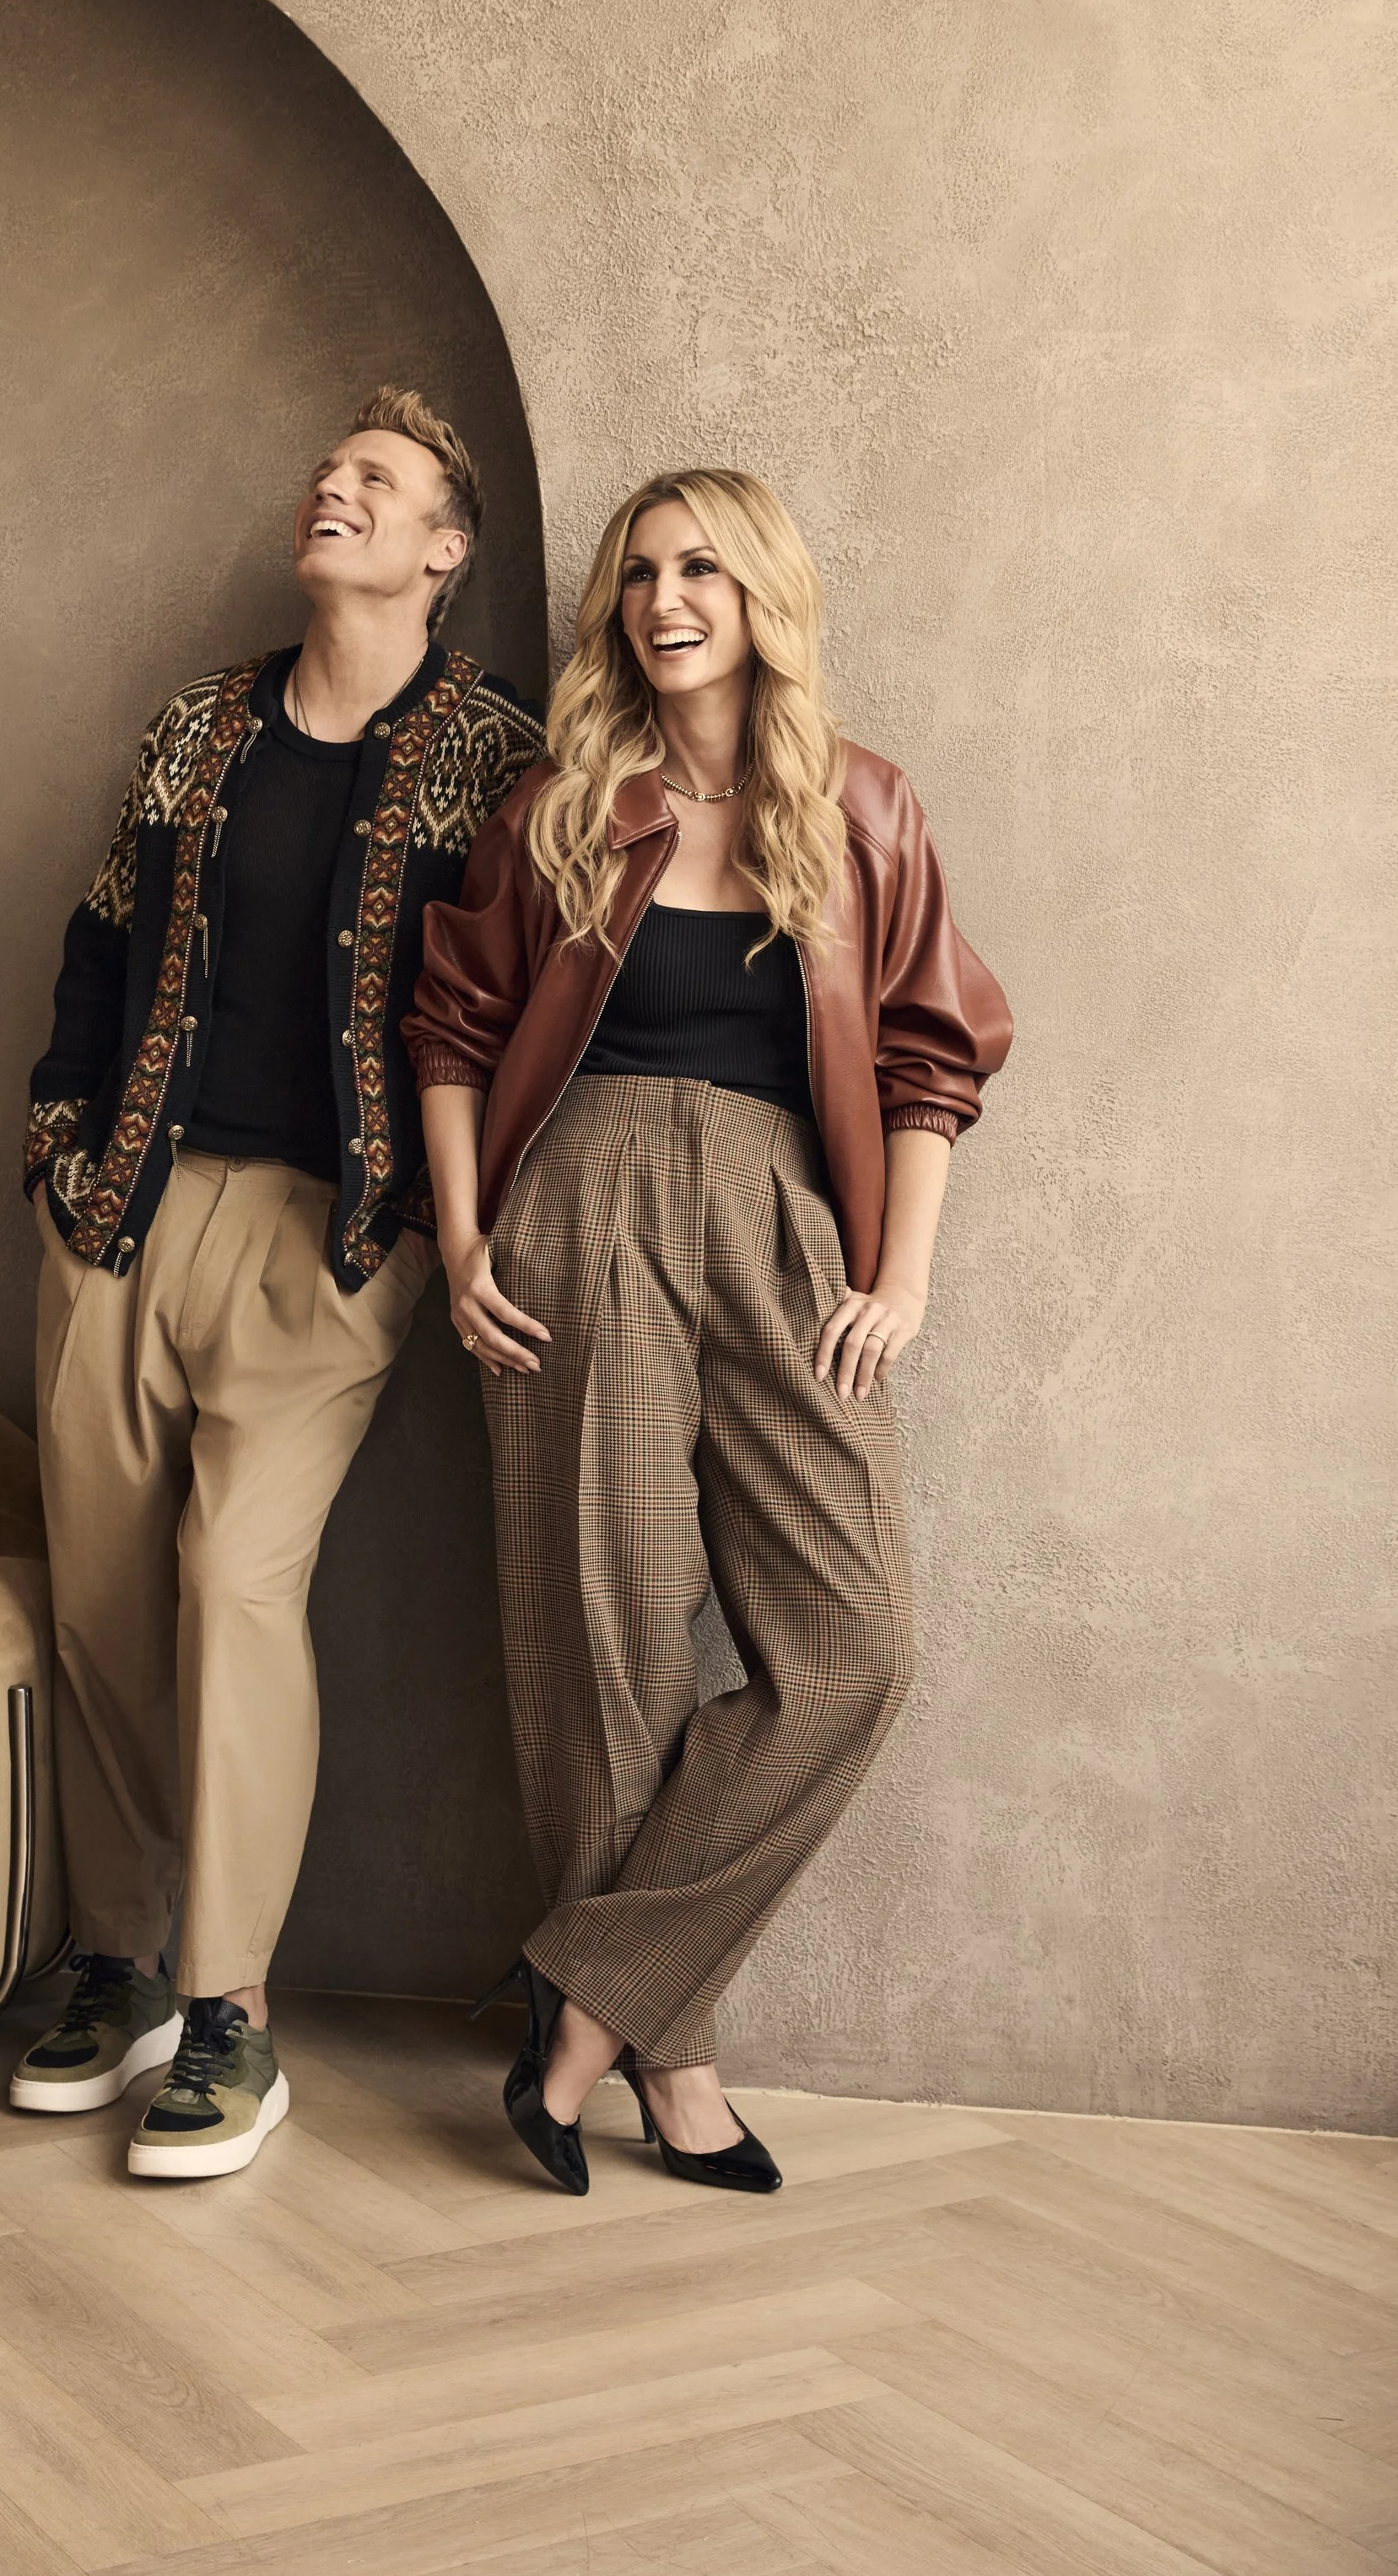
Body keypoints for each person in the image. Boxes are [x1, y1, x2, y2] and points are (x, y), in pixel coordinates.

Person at [406, 467, 1011, 2196]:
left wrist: (900, 1273)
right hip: (575, 1205)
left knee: (853, 1641)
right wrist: (459, 1237)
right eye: (639, 572)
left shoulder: (861, 809)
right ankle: (672, 2067)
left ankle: (575, 2002)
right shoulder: (558, 805)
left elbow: (928, 1058)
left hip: (778, 1222)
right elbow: (451, 1023)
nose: (663, 597)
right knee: (603, 1655)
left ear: (759, 599)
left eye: (700, 570)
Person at [13, 387, 541, 2178]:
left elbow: (512, 1006)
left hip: (334, 1236)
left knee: (233, 1584)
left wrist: (425, 1224)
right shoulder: (199, 726)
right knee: (96, 1598)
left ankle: (229, 2015)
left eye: (374, 481)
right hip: (125, 1208)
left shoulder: (491, 755)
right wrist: (56, 1146)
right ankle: (116, 1963)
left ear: (437, 550)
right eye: (331, 474)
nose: (334, 491)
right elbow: (96, 939)